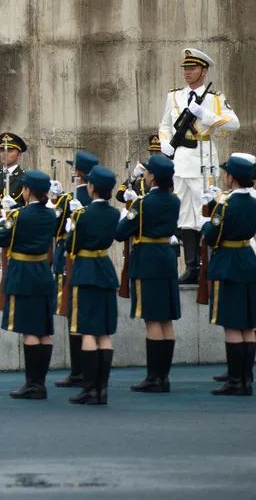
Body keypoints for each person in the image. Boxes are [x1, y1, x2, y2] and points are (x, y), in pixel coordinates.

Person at [157, 48, 239, 284]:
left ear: (204, 71)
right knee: (184, 214)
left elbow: (234, 124)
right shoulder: (174, 96)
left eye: (192, 68)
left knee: (206, 212)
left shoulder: (214, 98)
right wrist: (165, 143)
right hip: (180, 159)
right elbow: (165, 125)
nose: (187, 72)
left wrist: (205, 114)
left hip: (203, 159)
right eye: (185, 68)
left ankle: (209, 265)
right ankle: (191, 267)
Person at [115, 154, 182, 393]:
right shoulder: (174, 201)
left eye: (147, 171)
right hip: (167, 258)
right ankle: (164, 377)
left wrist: (126, 215)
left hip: (148, 260)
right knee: (166, 319)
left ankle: (154, 377)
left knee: (152, 318)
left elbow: (121, 233)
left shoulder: (142, 204)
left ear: (152, 176)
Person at [0, 169, 56, 400]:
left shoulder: (19, 216)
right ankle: (40, 383)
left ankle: (33, 384)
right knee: (44, 330)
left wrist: (4, 220)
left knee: (30, 330)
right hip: (43, 272)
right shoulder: (51, 215)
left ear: (27, 190)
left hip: (24, 274)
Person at [65, 165, 120, 405]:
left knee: (87, 330)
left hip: (86, 270)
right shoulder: (114, 214)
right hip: (105, 269)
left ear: (92, 187)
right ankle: (102, 389)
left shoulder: (82, 215)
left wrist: (71, 227)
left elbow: (71, 246)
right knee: (104, 332)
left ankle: (89, 389)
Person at [202, 153, 256, 396]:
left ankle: (235, 381)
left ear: (232, 177)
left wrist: (207, 220)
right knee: (248, 324)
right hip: (247, 259)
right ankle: (246, 379)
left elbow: (212, 235)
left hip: (229, 263)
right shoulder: (253, 202)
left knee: (233, 324)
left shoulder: (226, 204)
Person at [53, 149, 99, 389]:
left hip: (72, 260)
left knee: (74, 316)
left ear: (78, 173)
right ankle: (90, 372)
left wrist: (53, 204)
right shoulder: (99, 201)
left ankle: (78, 372)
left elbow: (57, 228)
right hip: (95, 263)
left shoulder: (70, 199)